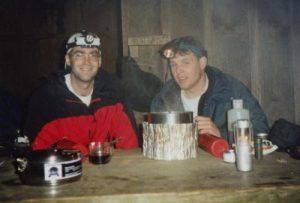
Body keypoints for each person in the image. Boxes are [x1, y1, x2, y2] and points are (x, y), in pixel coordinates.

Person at [24, 30, 139, 156]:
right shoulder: (45, 99)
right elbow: (35, 151)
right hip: (64, 172)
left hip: (107, 172)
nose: (87, 62)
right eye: (79, 55)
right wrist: (77, 151)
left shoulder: (114, 95)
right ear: (68, 60)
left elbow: (130, 146)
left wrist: (116, 155)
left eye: (93, 55)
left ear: (99, 61)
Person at [151, 36, 269, 145]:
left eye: (185, 62)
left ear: (202, 63)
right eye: (173, 64)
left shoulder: (230, 90)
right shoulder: (164, 97)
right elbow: (156, 139)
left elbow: (261, 131)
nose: (178, 70)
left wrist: (220, 134)